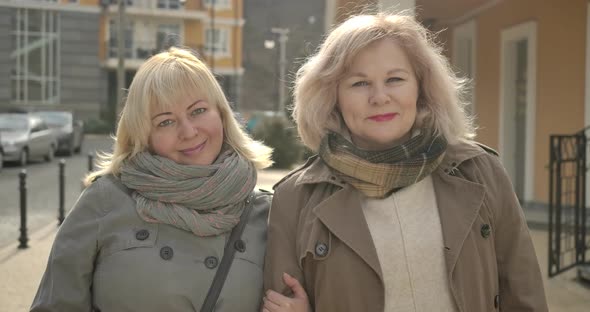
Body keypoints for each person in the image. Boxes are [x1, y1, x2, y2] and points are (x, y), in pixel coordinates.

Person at [263, 13, 548, 312]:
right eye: (359, 83)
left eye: (395, 79)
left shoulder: (481, 171)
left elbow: (524, 295)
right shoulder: (294, 199)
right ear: (332, 97)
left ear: (421, 89)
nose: (380, 97)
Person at [30, 47, 304, 311]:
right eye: (165, 122)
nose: (188, 131)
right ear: (143, 135)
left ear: (221, 114)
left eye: (198, 111)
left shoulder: (265, 213)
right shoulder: (105, 201)